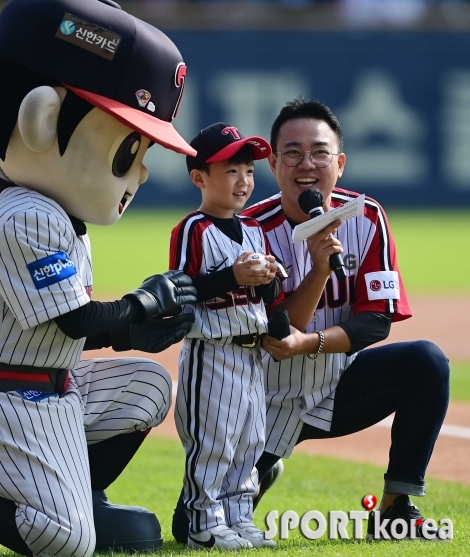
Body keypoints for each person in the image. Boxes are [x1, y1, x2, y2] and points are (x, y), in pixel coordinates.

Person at [0, 0, 197, 555]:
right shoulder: (24, 212)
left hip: (46, 386)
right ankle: (62, 509)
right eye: (128, 149)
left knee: (148, 385)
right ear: (40, 120)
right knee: (65, 542)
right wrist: (138, 307)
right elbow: (72, 321)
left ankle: (81, 493)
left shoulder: (59, 212)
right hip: (12, 397)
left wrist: (133, 332)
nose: (141, 170)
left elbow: (65, 331)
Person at [241, 97, 450, 540]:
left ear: (340, 162)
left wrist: (311, 344)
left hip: (338, 386)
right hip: (264, 399)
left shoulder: (366, 216)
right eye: (292, 153)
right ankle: (265, 466)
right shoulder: (248, 230)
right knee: (192, 527)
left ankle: (397, 506)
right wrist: (317, 271)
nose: (307, 164)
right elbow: (273, 331)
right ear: (274, 164)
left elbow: (377, 319)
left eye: (319, 152)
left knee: (426, 363)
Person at [169, 122, 282, 549]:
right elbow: (182, 289)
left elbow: (267, 294)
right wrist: (232, 276)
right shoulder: (192, 230)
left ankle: (239, 518)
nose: (244, 181)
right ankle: (203, 524)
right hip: (211, 353)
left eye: (249, 170)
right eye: (231, 170)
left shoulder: (253, 229)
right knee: (213, 443)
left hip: (252, 355)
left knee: (250, 442)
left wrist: (269, 280)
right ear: (199, 178)